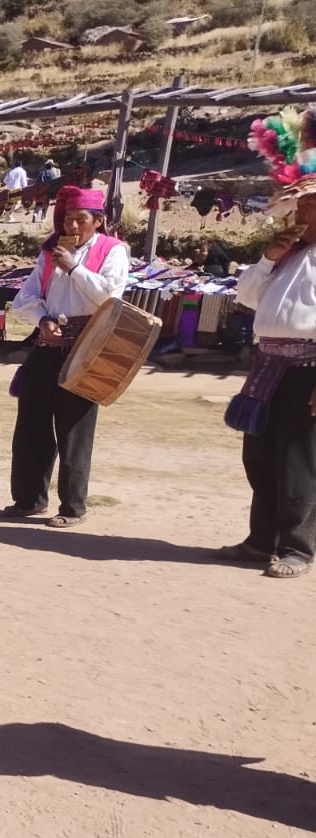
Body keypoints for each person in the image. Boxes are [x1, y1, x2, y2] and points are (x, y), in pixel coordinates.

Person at [219, 108, 316, 579]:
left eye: (310, 206)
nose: (300, 212)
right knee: (259, 455)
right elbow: (247, 300)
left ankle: (298, 547)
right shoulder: (284, 256)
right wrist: (267, 256)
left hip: (308, 371)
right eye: (299, 206)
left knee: (300, 461)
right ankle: (262, 540)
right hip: (268, 368)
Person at [2, 186, 129, 528]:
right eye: (68, 219)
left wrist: (74, 268)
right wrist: (42, 319)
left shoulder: (114, 251)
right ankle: (29, 498)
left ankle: (72, 507)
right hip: (47, 345)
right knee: (32, 424)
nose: (73, 226)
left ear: (98, 222)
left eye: (81, 220)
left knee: (75, 429)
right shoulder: (49, 254)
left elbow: (108, 295)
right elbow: (24, 299)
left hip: (87, 346)